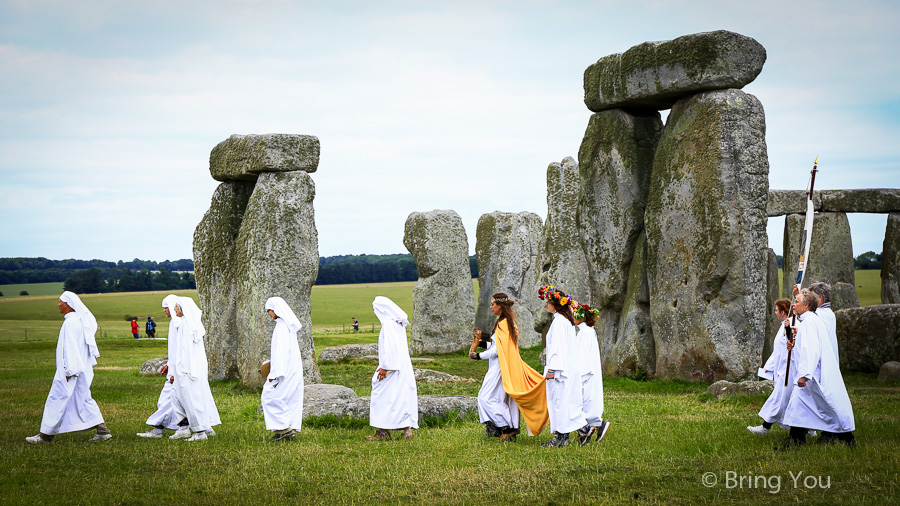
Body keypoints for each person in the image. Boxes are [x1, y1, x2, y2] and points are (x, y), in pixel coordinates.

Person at [26, 291, 111, 444]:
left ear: (67, 304)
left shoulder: (70, 323)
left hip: (71, 371)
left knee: (56, 399)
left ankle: (46, 436)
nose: (58, 304)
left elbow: (70, 348)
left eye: (60, 301)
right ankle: (103, 431)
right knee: (83, 399)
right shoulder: (80, 322)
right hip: (81, 370)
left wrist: (68, 371)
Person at [778, 290, 855, 449]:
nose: (794, 304)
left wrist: (805, 375)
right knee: (798, 407)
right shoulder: (809, 320)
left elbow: (811, 349)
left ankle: (847, 438)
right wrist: (797, 336)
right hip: (811, 374)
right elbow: (809, 342)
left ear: (806, 305)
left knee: (827, 408)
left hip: (813, 376)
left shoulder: (810, 322)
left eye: (797, 302)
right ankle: (795, 440)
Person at [469, 293, 548, 442]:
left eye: (493, 304)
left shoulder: (503, 324)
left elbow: (497, 351)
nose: (491, 307)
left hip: (500, 367)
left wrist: (478, 356)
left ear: (500, 306)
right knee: (498, 398)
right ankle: (504, 428)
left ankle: (506, 427)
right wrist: (481, 344)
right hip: (502, 365)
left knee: (485, 397)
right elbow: (496, 345)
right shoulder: (506, 322)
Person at [538, 285, 588, 448]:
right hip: (566, 368)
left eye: (548, 302)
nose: (546, 305)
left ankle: (564, 437)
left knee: (558, 402)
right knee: (563, 402)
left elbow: (557, 348)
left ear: (556, 304)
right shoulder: (565, 321)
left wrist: (552, 369)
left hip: (560, 371)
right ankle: (563, 437)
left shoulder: (560, 322)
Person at [168, 296, 221, 442]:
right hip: (183, 370)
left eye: (176, 307)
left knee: (192, 399)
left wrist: (183, 370)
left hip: (188, 370)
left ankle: (200, 432)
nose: (174, 309)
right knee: (175, 397)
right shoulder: (185, 324)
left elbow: (187, 351)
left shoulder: (188, 326)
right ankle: (184, 427)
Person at [366, 296, 418, 440]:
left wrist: (385, 367)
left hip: (393, 366)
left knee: (383, 396)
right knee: (402, 397)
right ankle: (408, 432)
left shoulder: (388, 324)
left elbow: (390, 347)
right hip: (403, 366)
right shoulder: (398, 324)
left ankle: (383, 432)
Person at [136, 295, 187, 439]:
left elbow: (181, 350)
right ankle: (174, 427)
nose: (164, 310)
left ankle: (163, 429)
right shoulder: (174, 323)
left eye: (166, 307)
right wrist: (168, 364)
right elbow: (173, 349)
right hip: (173, 368)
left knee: (169, 400)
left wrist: (174, 371)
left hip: (178, 370)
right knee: (169, 400)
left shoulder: (180, 324)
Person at [748, 298, 798, 436]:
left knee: (780, 399)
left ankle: (765, 428)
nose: (775, 313)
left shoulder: (793, 324)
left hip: (789, 370)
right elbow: (778, 350)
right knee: (785, 399)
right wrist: (768, 367)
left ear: (783, 312)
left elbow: (792, 345)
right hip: (782, 369)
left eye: (777, 310)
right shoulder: (784, 325)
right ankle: (808, 430)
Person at [261, 297, 305, 442]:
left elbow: (280, 352)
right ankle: (286, 429)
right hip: (291, 368)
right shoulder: (287, 325)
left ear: (276, 310)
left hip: (283, 370)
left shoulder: (281, 327)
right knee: (287, 398)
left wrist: (275, 373)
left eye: (269, 311)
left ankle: (284, 428)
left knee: (270, 396)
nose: (268, 314)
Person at [573, 303, 609, 445]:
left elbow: (582, 355)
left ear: (581, 317)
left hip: (585, 371)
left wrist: (580, 375)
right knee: (588, 401)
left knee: (584, 401)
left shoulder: (584, 333)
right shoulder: (588, 331)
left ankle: (597, 426)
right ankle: (586, 433)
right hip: (590, 370)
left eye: (575, 314)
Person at [808, 282, 839, 364]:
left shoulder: (818, 314)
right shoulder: (829, 313)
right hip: (829, 356)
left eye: (812, 297)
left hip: (821, 358)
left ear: (820, 297)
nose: (810, 300)